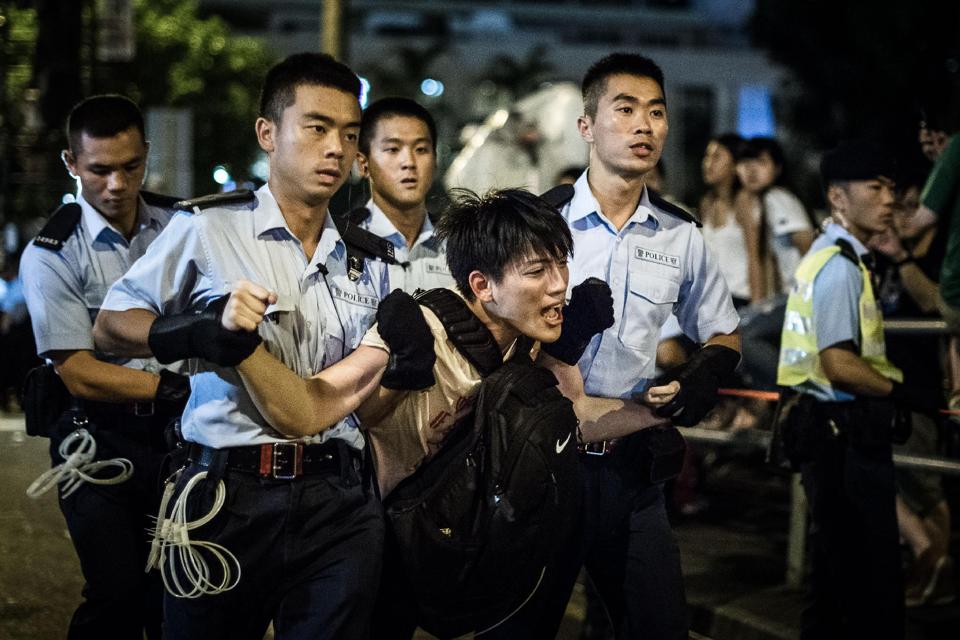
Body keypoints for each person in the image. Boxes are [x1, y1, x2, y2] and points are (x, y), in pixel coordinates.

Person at [225, 188, 673, 638]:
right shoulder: (422, 330)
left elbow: (573, 417)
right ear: (482, 286)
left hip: (445, 548)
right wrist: (236, 345)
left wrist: (663, 410)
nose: (559, 284)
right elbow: (311, 406)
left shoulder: (527, 343)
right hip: (375, 545)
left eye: (561, 264)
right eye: (537, 271)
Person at [92, 53, 396, 640]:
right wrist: (188, 331)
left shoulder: (371, 258)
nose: (336, 148)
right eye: (317, 128)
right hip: (227, 496)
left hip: (340, 500)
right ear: (267, 133)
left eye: (350, 134)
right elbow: (110, 325)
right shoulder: (207, 229)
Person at [553, 52, 742, 638]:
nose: (645, 126)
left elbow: (724, 330)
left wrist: (703, 374)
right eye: (626, 109)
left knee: (655, 627)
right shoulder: (540, 222)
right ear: (587, 126)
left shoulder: (681, 234)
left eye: (656, 112)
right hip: (542, 464)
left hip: (634, 473)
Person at [19, 94, 188, 639]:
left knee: (178, 597)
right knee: (117, 595)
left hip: (177, 439)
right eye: (99, 170)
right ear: (72, 165)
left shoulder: (182, 226)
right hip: (97, 442)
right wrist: (174, 388)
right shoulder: (52, 252)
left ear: (146, 153)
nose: (117, 184)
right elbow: (80, 372)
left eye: (130, 166)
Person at [777, 139, 936, 639]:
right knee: (865, 590)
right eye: (875, 187)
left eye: (891, 187)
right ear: (838, 198)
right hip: (840, 439)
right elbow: (839, 363)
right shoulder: (840, 266)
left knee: (835, 587)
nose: (888, 198)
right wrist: (904, 390)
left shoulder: (843, 258)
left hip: (831, 436)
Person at [871, 171, 954, 606]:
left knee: (926, 485)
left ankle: (936, 570)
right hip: (885, 385)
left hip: (920, 388)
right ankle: (930, 566)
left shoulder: (936, 253)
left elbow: (932, 302)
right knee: (898, 481)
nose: (899, 216)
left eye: (906, 208)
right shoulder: (880, 253)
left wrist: (902, 258)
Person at [735, 137, 816, 391]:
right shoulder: (764, 201)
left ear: (778, 168)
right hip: (790, 298)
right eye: (745, 162)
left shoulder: (777, 197)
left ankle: (798, 390)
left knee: (742, 335)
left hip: (801, 298)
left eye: (760, 161)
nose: (751, 169)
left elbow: (809, 244)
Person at [352, 96, 454, 293]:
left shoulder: (458, 248)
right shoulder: (341, 245)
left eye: (421, 149)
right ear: (363, 164)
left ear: (435, 161)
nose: (409, 162)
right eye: (393, 149)